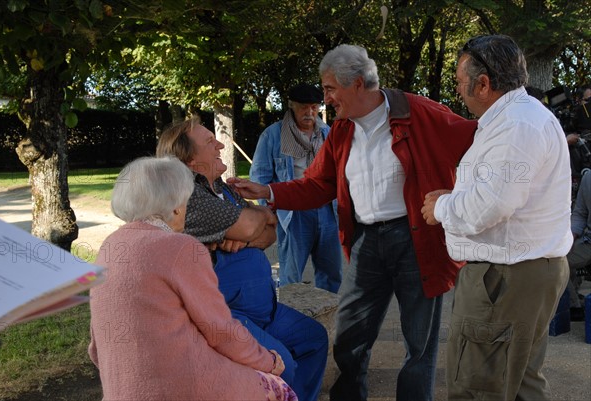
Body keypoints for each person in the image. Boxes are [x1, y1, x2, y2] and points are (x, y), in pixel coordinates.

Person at [229, 44, 477, 401]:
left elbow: (479, 143)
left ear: (358, 84)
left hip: (417, 241)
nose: (326, 99)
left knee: (419, 345)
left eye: (330, 89)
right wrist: (267, 190)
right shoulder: (343, 130)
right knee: (349, 337)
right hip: (366, 242)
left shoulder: (420, 112)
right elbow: (318, 184)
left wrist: (459, 201)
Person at [421, 34, 572, 400]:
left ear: (484, 84)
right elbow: (500, 194)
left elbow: (490, 206)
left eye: (459, 82)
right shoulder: (521, 118)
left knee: (479, 387)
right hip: (521, 273)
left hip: (506, 279)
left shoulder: (516, 126)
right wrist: (456, 196)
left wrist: (440, 208)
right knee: (518, 382)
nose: (458, 91)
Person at [88, 156, 296, 401]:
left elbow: (95, 347)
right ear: (176, 206)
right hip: (184, 388)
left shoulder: (109, 247)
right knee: (280, 388)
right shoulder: (181, 247)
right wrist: (268, 361)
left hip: (121, 391)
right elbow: (221, 330)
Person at [156, 118, 328, 401]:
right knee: (282, 365)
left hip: (263, 308)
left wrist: (249, 230)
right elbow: (252, 225)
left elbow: (270, 232)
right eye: (210, 142)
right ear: (188, 159)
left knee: (313, 339)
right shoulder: (188, 195)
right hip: (227, 314)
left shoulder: (225, 190)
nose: (221, 144)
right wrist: (253, 224)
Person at [250, 83, 342, 293]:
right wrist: (269, 210)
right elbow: (259, 177)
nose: (309, 112)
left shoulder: (328, 133)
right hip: (293, 212)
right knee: (291, 276)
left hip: (328, 210)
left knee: (332, 273)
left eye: (314, 107)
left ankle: (328, 320)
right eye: (303, 107)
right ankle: (293, 320)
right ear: (291, 105)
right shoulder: (273, 135)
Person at [567, 170, 591, 321]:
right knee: (556, 261)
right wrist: (570, 237)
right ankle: (574, 305)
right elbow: (580, 213)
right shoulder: (588, 177)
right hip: (588, 241)